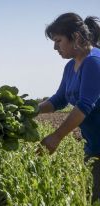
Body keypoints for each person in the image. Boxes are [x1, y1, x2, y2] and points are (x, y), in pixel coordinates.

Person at [38, 12, 100, 203]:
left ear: (76, 37)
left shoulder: (94, 62)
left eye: (58, 40)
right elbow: (58, 100)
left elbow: (84, 106)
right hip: (94, 147)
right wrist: (28, 108)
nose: (55, 47)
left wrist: (56, 137)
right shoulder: (71, 66)